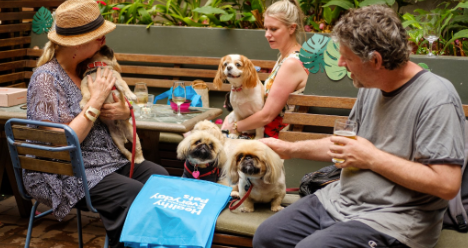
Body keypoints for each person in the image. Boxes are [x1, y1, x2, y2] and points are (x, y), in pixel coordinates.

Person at [254, 5, 465, 248]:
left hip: (394, 219)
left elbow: (447, 185)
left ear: (375, 60)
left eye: (348, 57)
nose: (341, 63)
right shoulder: (370, 86)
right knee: (267, 236)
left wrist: (372, 157)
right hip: (340, 201)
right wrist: (288, 149)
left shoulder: (436, 98)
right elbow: (347, 147)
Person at [25, 1, 168, 247]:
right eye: (98, 37)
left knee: (161, 178)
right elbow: (62, 142)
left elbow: (115, 108)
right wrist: (97, 100)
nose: (104, 41)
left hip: (106, 162)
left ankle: (154, 241)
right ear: (76, 43)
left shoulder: (88, 69)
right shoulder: (45, 79)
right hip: (64, 172)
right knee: (130, 193)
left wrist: (123, 111)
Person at [222, 0, 309, 138]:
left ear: (292, 28)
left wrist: (234, 126)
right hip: (263, 132)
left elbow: (266, 116)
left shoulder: (291, 63)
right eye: (266, 29)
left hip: (274, 138)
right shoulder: (285, 57)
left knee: (202, 154)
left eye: (273, 29)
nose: (267, 34)